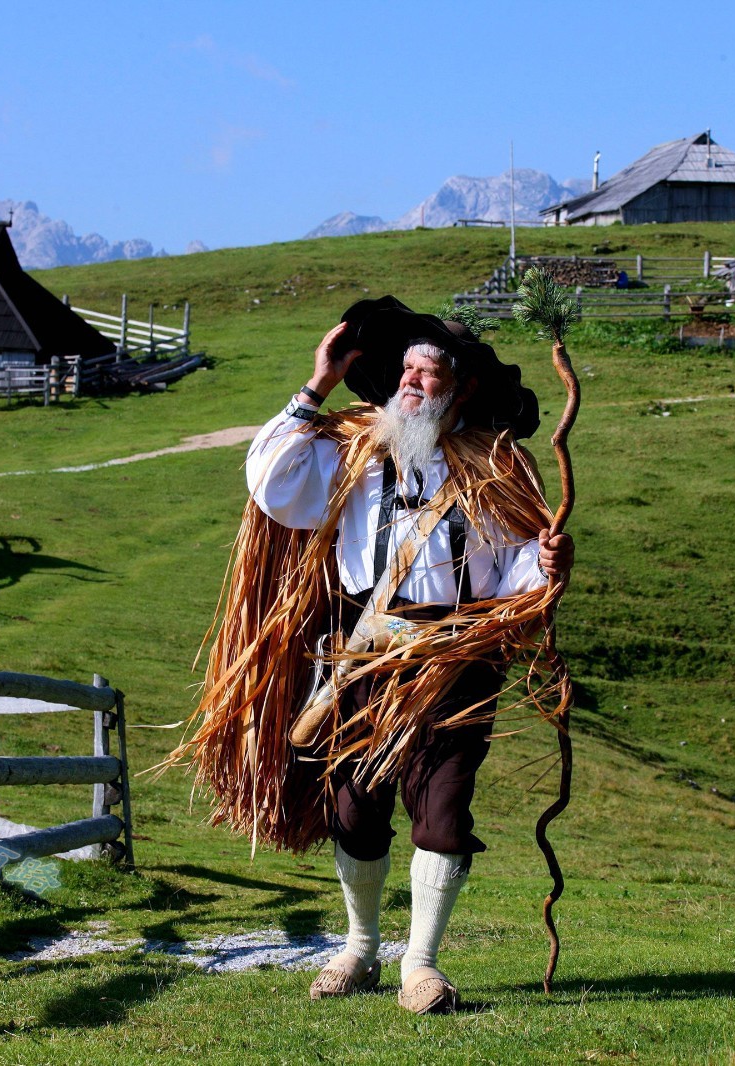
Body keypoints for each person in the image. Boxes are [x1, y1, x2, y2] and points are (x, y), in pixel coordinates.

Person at [180, 295, 573, 1015]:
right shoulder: (351, 450)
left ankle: (420, 967)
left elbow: (513, 567)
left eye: (432, 373)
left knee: (444, 815)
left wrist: (546, 565)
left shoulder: (496, 467)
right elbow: (270, 483)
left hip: (457, 662)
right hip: (364, 659)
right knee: (355, 811)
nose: (414, 383)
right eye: (409, 369)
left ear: (464, 390)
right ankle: (360, 948)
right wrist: (318, 382)